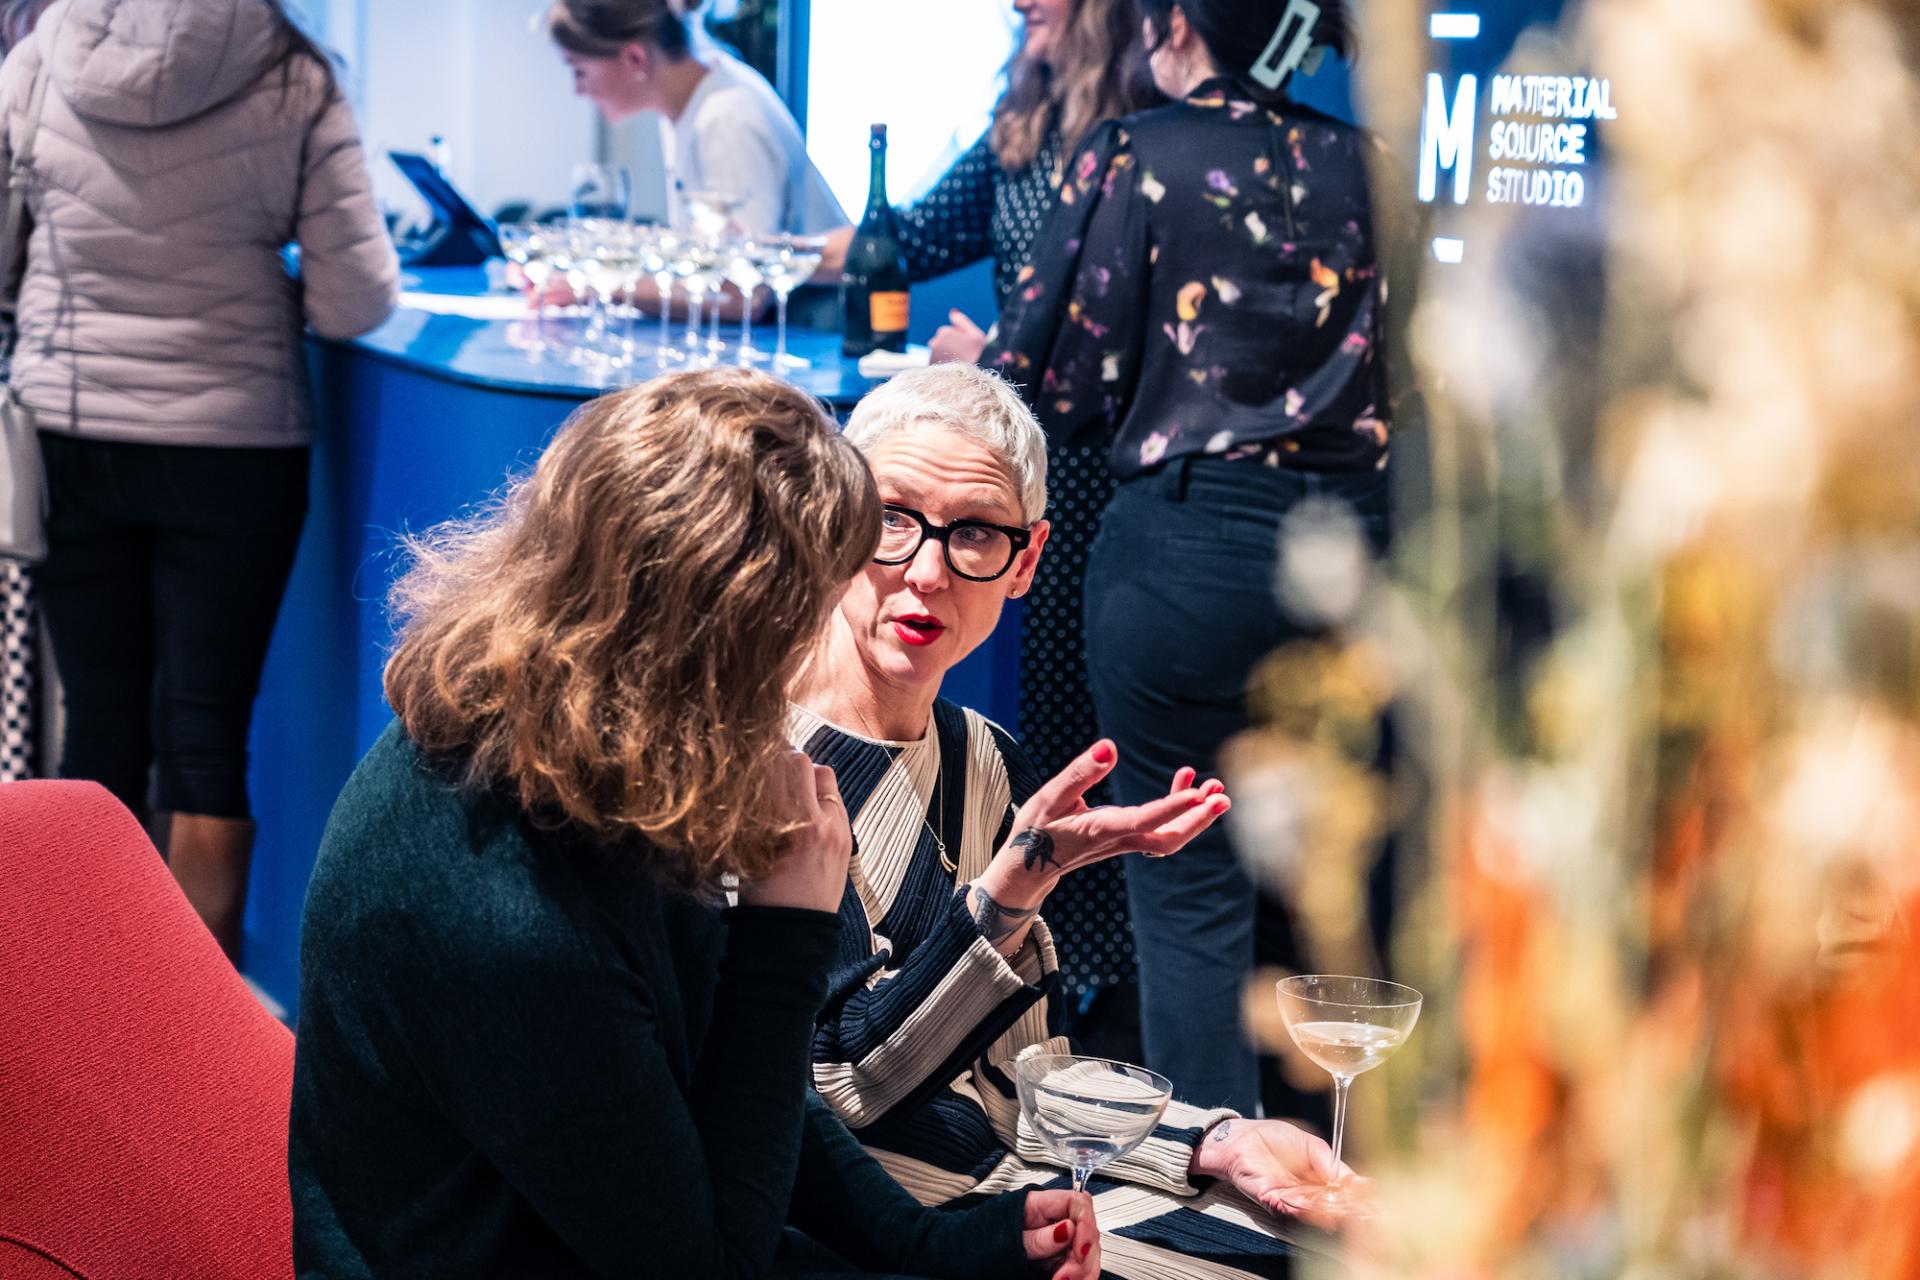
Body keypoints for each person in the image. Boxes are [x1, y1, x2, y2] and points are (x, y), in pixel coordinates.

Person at [289, 369, 1103, 1280]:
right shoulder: (498, 900)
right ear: (709, 639)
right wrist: (784, 935)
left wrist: (931, 1245)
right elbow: (710, 1263)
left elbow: (728, 1085)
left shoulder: (596, 749)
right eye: (797, 621)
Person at [789, 364, 1351, 1279]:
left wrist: (1213, 1139)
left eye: (973, 534)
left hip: (1035, 1178)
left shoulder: (982, 754)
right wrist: (1008, 896)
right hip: (894, 1221)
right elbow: (843, 1098)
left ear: (1027, 561)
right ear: (832, 518)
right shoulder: (767, 764)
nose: (926, 572)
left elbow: (1029, 1070)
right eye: (892, 518)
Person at [984, 0, 1390, 1116]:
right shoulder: (1371, 163)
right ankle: (1344, 1194)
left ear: (1174, 22)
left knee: (1192, 890)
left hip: (1187, 558)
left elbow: (1047, 383)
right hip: (1358, 558)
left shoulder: (1130, 151)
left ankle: (1209, 1210)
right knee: (1335, 892)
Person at [0, 0, 398, 959]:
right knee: (206, 736)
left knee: (96, 724)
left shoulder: (40, 54)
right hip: (235, 442)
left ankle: (74, 991)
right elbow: (357, 302)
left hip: (70, 428)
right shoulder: (297, 72)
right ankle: (189, 1018)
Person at [823, 0, 1160, 1015]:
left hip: (1098, 490)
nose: (1017, 4)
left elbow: (1158, 357)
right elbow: (905, 235)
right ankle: (998, 978)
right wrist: (765, 254)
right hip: (994, 486)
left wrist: (1005, 365)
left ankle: (1081, 1004)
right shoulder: (1023, 117)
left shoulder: (1155, 131)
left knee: (1082, 741)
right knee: (1026, 743)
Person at [549, 0, 845, 237]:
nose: (578, 90)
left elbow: (745, 286)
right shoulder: (689, 106)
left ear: (636, 58)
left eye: (579, 71)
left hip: (814, 312)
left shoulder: (725, 117)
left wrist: (596, 286)